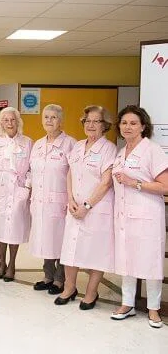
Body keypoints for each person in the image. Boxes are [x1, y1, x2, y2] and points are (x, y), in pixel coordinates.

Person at [110, 105, 168, 328]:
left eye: (133, 123)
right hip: (124, 217)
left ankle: (154, 309)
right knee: (127, 259)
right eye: (124, 123)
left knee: (150, 262)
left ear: (143, 126)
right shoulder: (120, 152)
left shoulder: (152, 150)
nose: (128, 127)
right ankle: (127, 304)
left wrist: (134, 183)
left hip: (147, 216)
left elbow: (164, 186)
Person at [56, 105, 116, 310]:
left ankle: (91, 292)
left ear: (104, 125)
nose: (90, 125)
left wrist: (87, 205)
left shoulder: (108, 148)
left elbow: (106, 182)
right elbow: (70, 173)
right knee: (70, 249)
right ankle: (69, 287)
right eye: (87, 121)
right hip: (74, 207)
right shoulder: (78, 146)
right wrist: (71, 199)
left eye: (96, 121)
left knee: (95, 252)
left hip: (96, 209)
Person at [29, 105, 76, 295]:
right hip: (39, 201)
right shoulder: (38, 144)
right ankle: (48, 276)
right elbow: (32, 172)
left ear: (61, 121)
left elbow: (75, 174)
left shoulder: (70, 144)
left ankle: (60, 279)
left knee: (60, 241)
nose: (49, 120)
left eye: (54, 117)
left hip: (60, 202)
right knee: (44, 239)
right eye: (46, 117)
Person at [0, 107, 33, 282]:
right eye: (6, 120)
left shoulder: (27, 142)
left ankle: (12, 264)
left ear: (18, 122)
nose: (10, 123)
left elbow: (30, 169)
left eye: (13, 120)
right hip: (0, 190)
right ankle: (2, 263)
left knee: (14, 228)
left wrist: (26, 188)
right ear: (1, 123)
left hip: (18, 191)